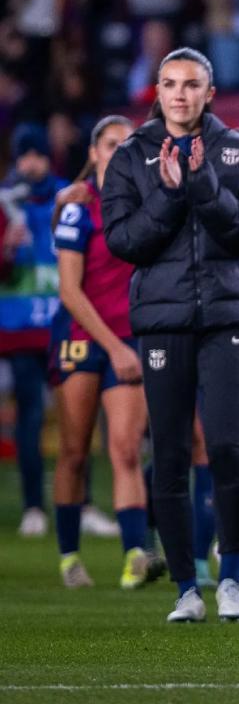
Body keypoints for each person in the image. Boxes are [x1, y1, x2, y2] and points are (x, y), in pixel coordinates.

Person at [102, 47, 239, 623]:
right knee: (171, 454)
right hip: (163, 321)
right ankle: (185, 587)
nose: (180, 94)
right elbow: (124, 240)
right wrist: (172, 194)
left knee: (227, 447)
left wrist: (204, 186)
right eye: (170, 84)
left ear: (211, 92)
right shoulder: (130, 156)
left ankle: (231, 575)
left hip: (228, 317)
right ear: (157, 91)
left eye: (191, 84)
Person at [51, 116, 151, 588]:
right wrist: (113, 347)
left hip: (128, 339)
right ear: (93, 152)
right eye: (109, 144)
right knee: (74, 450)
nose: (117, 152)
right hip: (84, 339)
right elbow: (69, 291)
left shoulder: (144, 202)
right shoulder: (78, 208)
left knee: (127, 448)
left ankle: (135, 554)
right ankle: (70, 556)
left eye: (125, 144)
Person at [1, 124, 67, 536]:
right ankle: (33, 507)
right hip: (21, 329)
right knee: (31, 417)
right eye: (23, 155)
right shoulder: (4, 205)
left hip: (65, 325)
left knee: (76, 418)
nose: (29, 162)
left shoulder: (67, 198)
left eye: (36, 154)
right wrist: (6, 246)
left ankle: (80, 505)